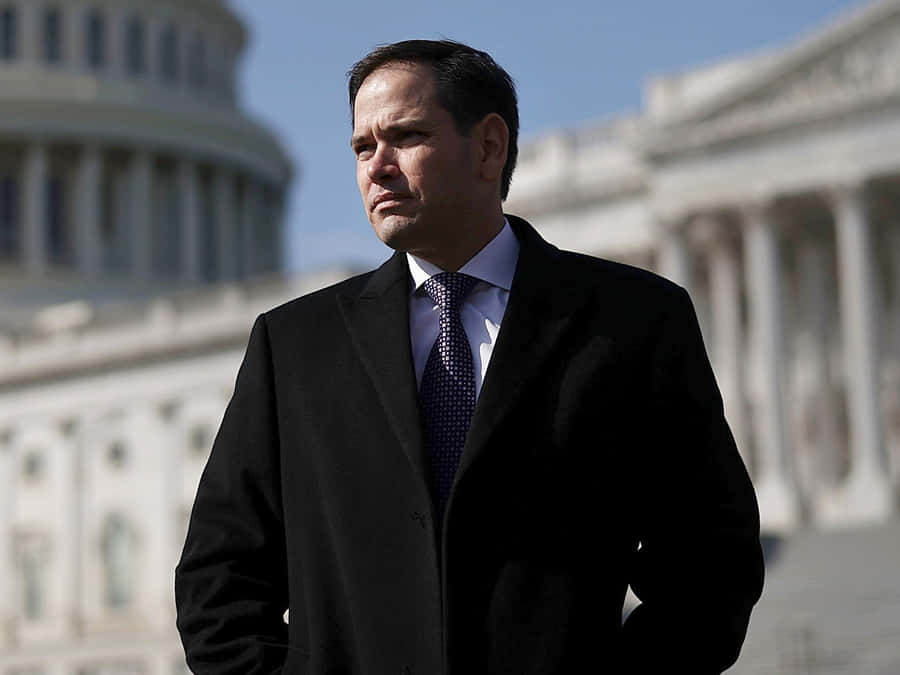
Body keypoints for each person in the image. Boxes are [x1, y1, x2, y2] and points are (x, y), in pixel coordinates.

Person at [175, 39, 764, 674]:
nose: (377, 167)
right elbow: (220, 581)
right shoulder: (295, 346)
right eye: (362, 147)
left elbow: (711, 560)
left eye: (405, 136)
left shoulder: (633, 322)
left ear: (488, 147)